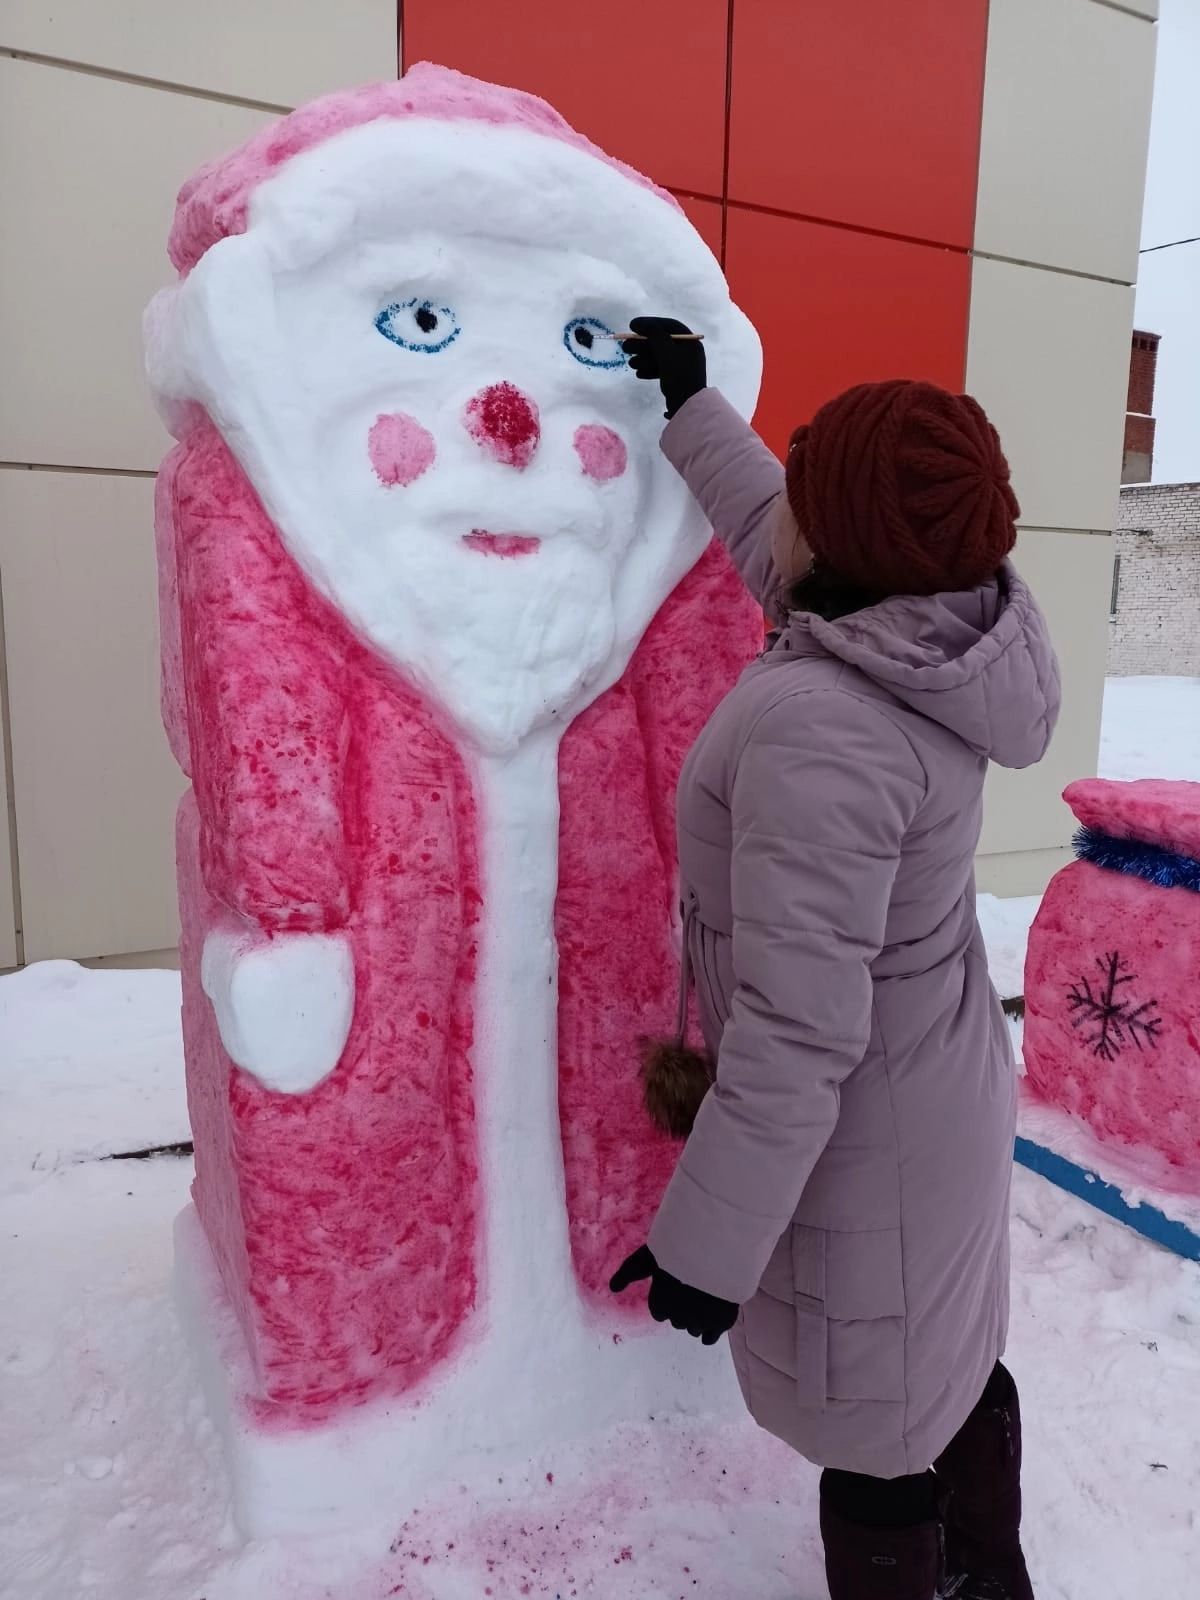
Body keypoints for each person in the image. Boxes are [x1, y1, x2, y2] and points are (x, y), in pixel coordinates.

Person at [611, 317, 1060, 1600]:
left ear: (847, 541)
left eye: (810, 489)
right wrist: (696, 409)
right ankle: (992, 1578)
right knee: (945, 1358)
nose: (787, 514)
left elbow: (798, 1030)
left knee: (877, 1438)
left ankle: (953, 1574)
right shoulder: (926, 630)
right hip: (937, 1083)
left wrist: (707, 1245)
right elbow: (789, 543)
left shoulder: (826, 731)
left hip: (869, 1130)